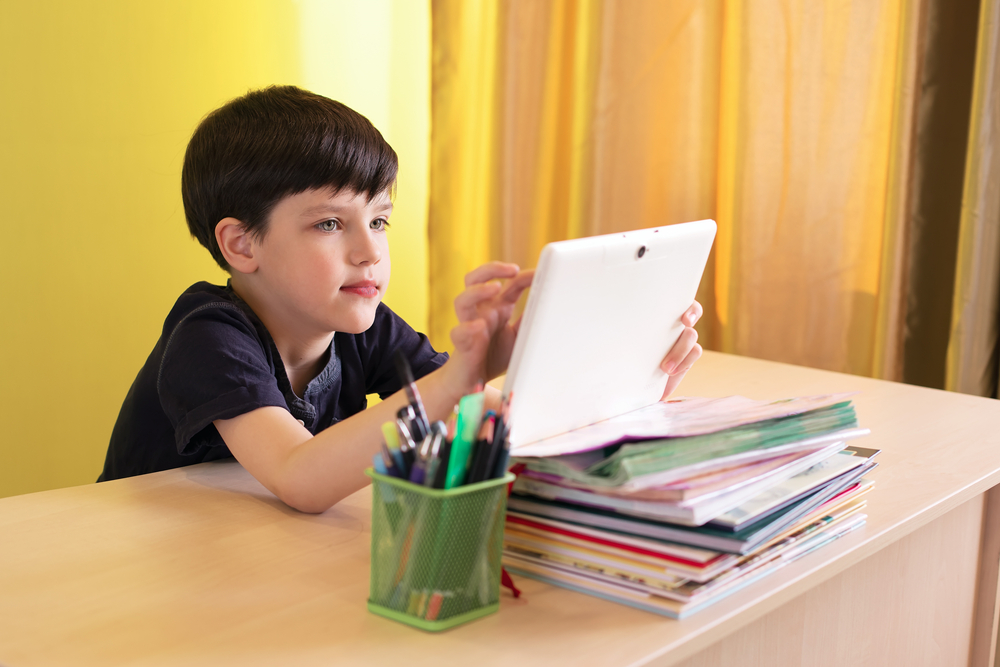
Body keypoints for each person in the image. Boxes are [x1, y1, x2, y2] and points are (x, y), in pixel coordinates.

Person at [98, 85, 703, 512]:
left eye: (380, 221)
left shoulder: (365, 324)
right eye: (330, 224)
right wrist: (454, 381)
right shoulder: (209, 336)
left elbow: (483, 427)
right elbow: (300, 478)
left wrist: (623, 384)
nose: (370, 251)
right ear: (241, 243)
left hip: (252, 552)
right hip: (141, 571)